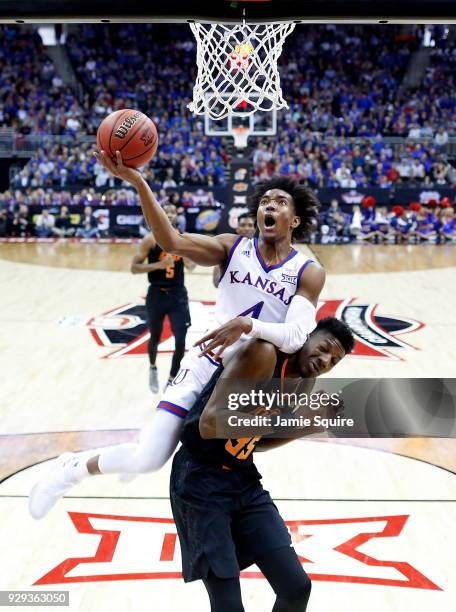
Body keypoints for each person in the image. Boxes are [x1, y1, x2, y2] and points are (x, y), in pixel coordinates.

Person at [28, 152, 325, 520]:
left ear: (293, 219)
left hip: (249, 378)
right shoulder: (232, 247)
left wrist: (249, 326)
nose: (269, 205)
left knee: (234, 459)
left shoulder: (308, 271)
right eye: (264, 201)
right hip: (207, 363)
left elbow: (296, 336)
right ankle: (71, 469)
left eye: (279, 202)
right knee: (148, 459)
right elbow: (170, 240)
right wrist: (139, 182)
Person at [171, 317, 355, 611]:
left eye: (333, 361)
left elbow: (259, 439)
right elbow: (209, 424)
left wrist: (307, 426)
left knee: (296, 588)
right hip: (200, 480)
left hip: (243, 479)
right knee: (229, 606)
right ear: (305, 337)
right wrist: (276, 421)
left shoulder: (305, 382)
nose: (324, 360)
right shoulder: (263, 354)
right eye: (322, 349)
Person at [131, 203, 194, 393]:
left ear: (177, 216)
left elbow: (192, 267)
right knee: (155, 337)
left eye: (173, 211)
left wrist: (187, 255)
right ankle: (152, 367)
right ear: (160, 215)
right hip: (156, 294)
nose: (170, 214)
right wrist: (157, 265)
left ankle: (172, 380)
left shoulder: (183, 239)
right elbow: (134, 268)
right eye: (166, 211)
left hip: (178, 294)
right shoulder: (150, 240)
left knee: (181, 341)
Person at [212, 213, 255, 288]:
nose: (247, 228)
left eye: (250, 225)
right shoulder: (226, 248)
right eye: (243, 225)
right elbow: (216, 282)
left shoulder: (261, 250)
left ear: (254, 229)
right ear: (237, 229)